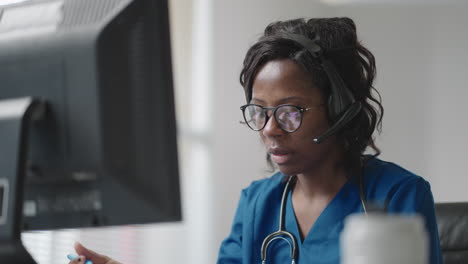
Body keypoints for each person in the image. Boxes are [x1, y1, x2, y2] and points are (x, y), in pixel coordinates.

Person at [68, 17, 442, 264]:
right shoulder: (257, 204)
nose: (269, 129)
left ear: (338, 109)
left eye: (290, 111)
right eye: (259, 111)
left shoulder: (399, 195)